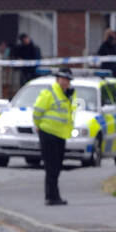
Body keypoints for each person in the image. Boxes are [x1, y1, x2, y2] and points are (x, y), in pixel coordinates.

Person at [33, 67, 75, 206]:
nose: (65, 82)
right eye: (63, 79)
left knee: (56, 167)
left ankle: (52, 195)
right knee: (52, 167)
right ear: (58, 79)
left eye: (68, 80)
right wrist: (38, 125)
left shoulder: (67, 95)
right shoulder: (49, 93)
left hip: (60, 135)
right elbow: (37, 111)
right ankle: (52, 197)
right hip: (48, 133)